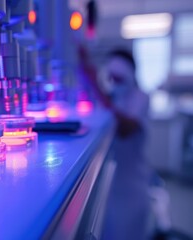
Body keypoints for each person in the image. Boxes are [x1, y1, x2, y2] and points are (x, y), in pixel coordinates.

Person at [79, 46, 151, 240]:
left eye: (118, 79)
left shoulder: (140, 98)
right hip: (112, 189)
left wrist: (95, 84)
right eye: (112, 78)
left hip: (132, 190)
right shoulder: (115, 98)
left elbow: (125, 129)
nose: (114, 83)